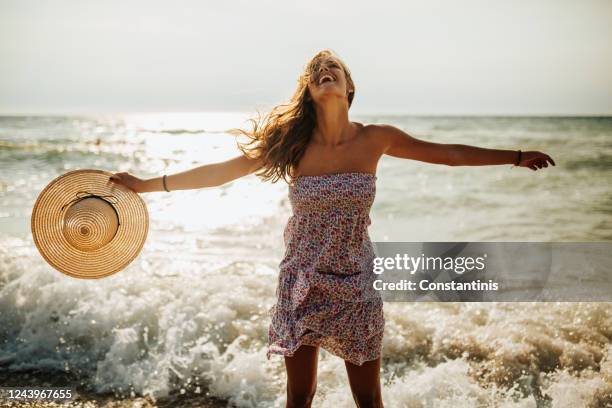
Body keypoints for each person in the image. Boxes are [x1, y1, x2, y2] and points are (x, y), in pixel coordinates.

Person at [109, 49, 555, 408]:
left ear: (348, 86)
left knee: (368, 399)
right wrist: (147, 185)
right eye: (317, 69)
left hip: (356, 281)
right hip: (301, 280)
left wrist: (514, 156)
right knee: (300, 397)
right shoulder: (291, 143)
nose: (326, 71)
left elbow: (449, 154)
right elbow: (222, 172)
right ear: (309, 87)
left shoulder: (375, 138)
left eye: (334, 68)